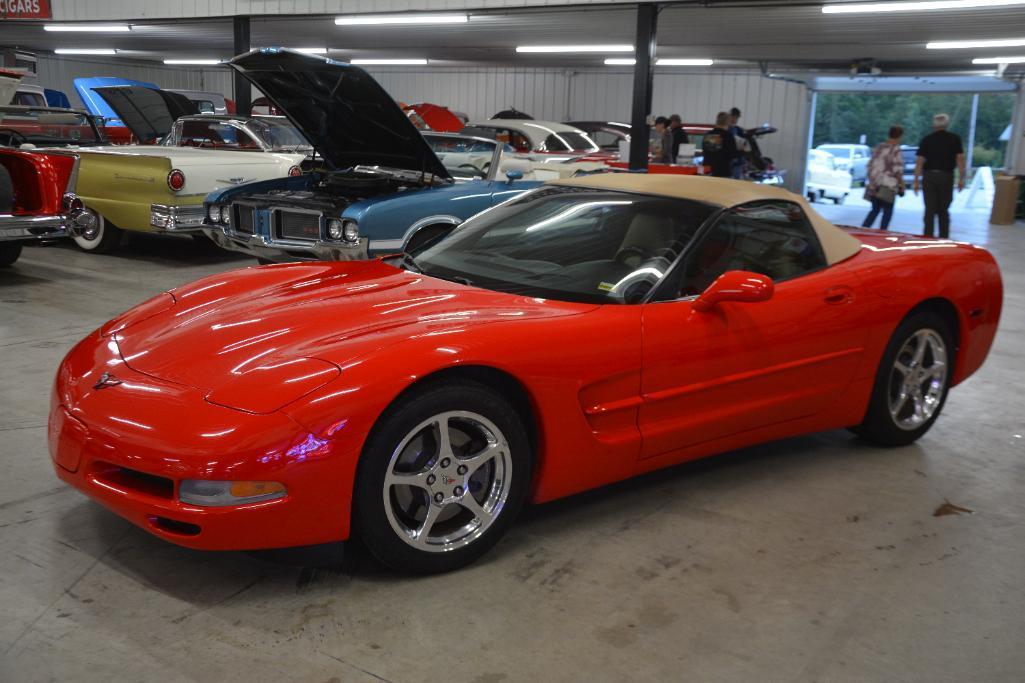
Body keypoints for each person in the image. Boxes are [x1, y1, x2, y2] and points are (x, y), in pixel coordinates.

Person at [913, 113, 966, 239]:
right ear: (947, 124)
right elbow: (960, 160)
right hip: (946, 176)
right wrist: (961, 179)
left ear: (934, 125)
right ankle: (944, 237)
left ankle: (928, 237)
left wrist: (916, 180)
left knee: (929, 210)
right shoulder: (955, 139)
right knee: (944, 209)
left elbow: (920, 161)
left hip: (929, 176)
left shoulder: (927, 139)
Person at [861, 126, 906, 230]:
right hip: (888, 186)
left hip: (875, 184)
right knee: (887, 212)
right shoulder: (895, 149)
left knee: (874, 210)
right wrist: (902, 185)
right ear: (899, 136)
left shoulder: (880, 147)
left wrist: (872, 181)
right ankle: (882, 234)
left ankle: (863, 231)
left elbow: (870, 165)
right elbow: (897, 170)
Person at [702, 112, 737, 178]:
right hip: (723, 172)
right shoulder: (728, 136)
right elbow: (733, 155)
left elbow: (704, 151)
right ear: (727, 122)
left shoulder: (707, 135)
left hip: (707, 171)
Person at [728, 107, 748, 179]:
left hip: (738, 161)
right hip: (731, 161)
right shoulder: (725, 129)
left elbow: (745, 143)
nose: (735, 119)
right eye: (734, 117)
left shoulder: (738, 129)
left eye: (736, 117)